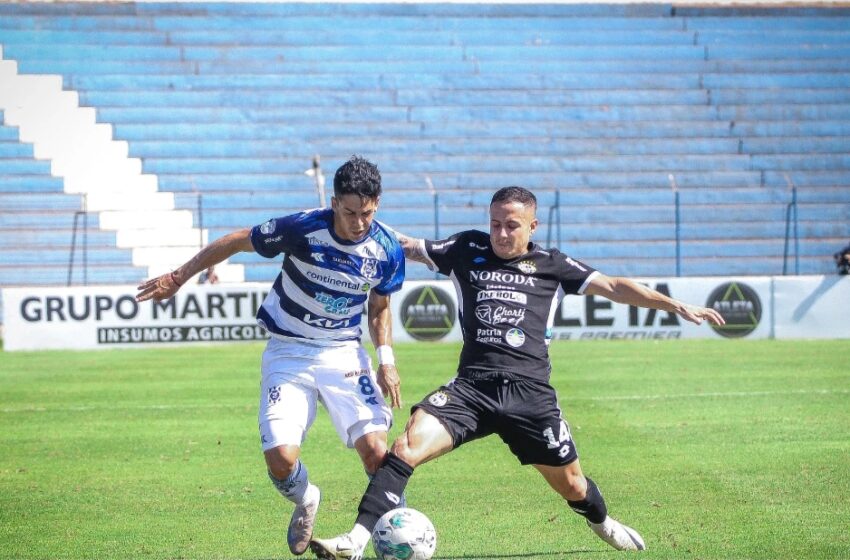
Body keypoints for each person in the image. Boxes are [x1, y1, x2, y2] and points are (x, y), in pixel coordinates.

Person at [310, 186, 726, 558]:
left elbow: (615, 287)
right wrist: (349, 218)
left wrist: (674, 304)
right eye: (495, 224)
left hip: (530, 396)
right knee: (404, 448)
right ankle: (355, 542)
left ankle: (603, 523)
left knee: (574, 486)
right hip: (471, 389)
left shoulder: (553, 265)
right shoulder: (466, 248)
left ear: (532, 226)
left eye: (512, 225)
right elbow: (407, 245)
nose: (501, 233)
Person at [135, 156, 406, 556]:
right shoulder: (303, 228)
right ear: (334, 203)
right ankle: (306, 497)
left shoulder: (385, 249)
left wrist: (386, 360)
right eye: (349, 213)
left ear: (377, 204)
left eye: (366, 213)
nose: (358, 223)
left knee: (377, 453)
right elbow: (237, 240)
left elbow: (379, 308)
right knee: (280, 460)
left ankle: (391, 536)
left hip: (344, 353)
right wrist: (178, 277)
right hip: (289, 351)